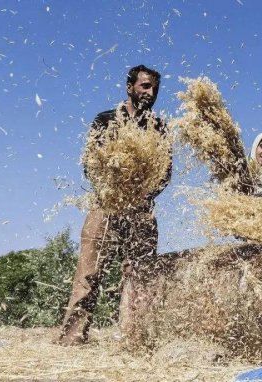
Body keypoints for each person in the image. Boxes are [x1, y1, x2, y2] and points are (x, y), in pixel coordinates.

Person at [56, 65, 171, 346]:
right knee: (89, 273)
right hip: (105, 206)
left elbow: (165, 173)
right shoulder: (104, 120)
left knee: (141, 276)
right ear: (130, 87)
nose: (150, 93)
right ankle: (72, 339)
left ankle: (135, 340)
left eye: (154, 88)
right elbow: (90, 165)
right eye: (145, 86)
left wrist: (142, 193)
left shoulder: (159, 127)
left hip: (141, 210)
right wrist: (114, 184)